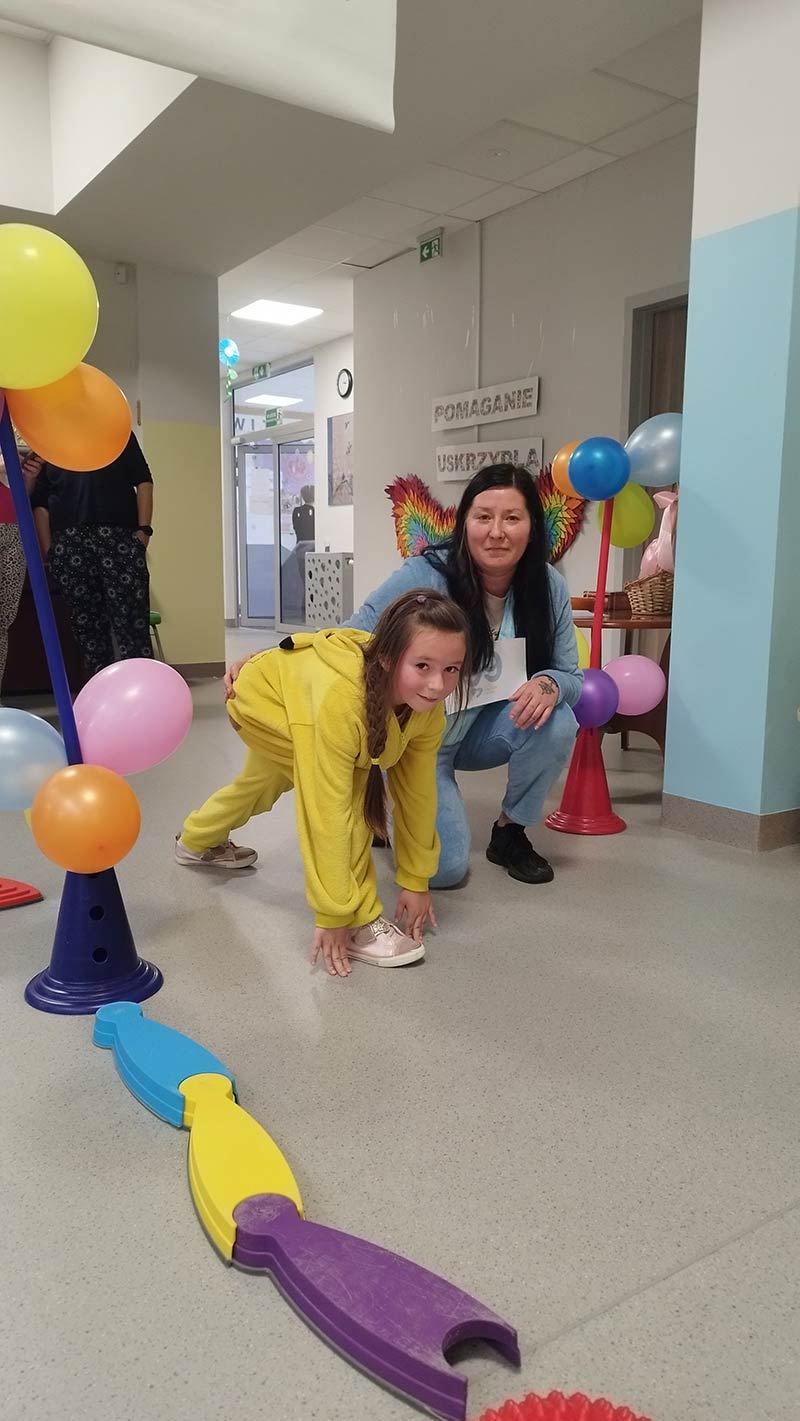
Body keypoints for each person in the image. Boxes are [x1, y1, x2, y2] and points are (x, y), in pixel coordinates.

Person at [227, 464, 581, 888]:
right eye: (483, 516)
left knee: (559, 720)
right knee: (442, 873)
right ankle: (384, 798)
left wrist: (550, 683)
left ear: (532, 526)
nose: (496, 532)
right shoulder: (427, 574)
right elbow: (352, 633)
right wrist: (271, 657)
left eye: (512, 518)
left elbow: (570, 676)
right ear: (465, 522)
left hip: (485, 728)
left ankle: (510, 832)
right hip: (419, 739)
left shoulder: (548, 586)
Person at [176, 590, 469, 977]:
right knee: (349, 801)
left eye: (451, 669)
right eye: (423, 666)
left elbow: (417, 794)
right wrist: (333, 913)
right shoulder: (342, 702)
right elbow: (326, 811)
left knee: (261, 784)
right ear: (386, 657)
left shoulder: (426, 710)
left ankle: (195, 840)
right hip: (260, 699)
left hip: (297, 695)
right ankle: (359, 922)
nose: (437, 685)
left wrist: (416, 880)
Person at [31, 432, 154, 678]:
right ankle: (101, 692)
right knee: (87, 630)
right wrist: (49, 551)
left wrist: (144, 531)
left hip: (119, 538)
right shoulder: (49, 438)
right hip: (69, 542)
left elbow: (143, 480)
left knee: (132, 624)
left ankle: (142, 690)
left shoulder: (117, 432)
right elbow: (40, 502)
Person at [0, 445, 44, 700]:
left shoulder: (9, 440)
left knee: (3, 619)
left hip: (15, 531)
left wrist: (28, 477)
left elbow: (22, 496)